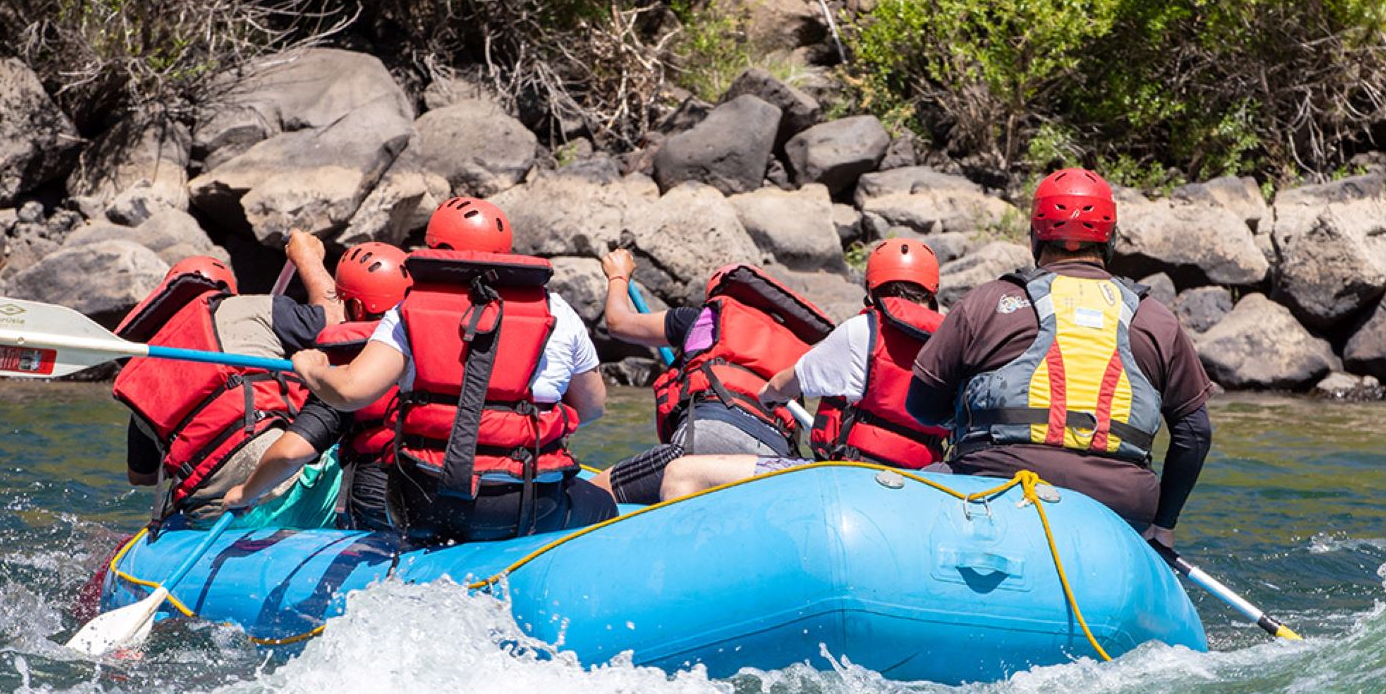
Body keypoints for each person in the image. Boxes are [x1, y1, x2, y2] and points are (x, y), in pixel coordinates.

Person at [905, 168, 1214, 549]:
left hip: (993, 481)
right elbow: (1195, 433)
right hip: (1120, 504)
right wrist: (1163, 526)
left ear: (1036, 235)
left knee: (912, 497)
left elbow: (920, 404)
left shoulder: (987, 301)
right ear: (1110, 238)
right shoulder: (1156, 319)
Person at [286, 197, 616, 545]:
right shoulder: (557, 311)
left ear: (437, 250)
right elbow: (593, 407)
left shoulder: (408, 310)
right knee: (604, 506)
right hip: (524, 505)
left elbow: (350, 392)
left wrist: (313, 369)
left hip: (424, 503)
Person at [658, 239, 950, 499]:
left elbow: (786, 383)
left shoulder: (862, 331)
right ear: (932, 294)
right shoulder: (955, 343)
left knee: (682, 473)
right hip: (919, 487)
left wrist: (768, 395)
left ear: (871, 291)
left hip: (850, 480)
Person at [115, 232, 344, 522]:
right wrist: (308, 258)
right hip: (288, 489)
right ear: (226, 290)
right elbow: (337, 327)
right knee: (347, 396)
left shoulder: (146, 374)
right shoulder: (247, 309)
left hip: (209, 514)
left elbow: (141, 476)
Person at [595, 251, 834, 504]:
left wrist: (618, 275)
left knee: (588, 497)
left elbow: (618, 322)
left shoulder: (702, 320)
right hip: (769, 465)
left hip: (698, 447)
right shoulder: (793, 353)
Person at [222, 242, 413, 531]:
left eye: (343, 298)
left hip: (377, 501)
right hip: (446, 491)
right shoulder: (447, 348)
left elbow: (290, 453)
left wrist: (246, 492)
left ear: (356, 307)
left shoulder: (344, 368)